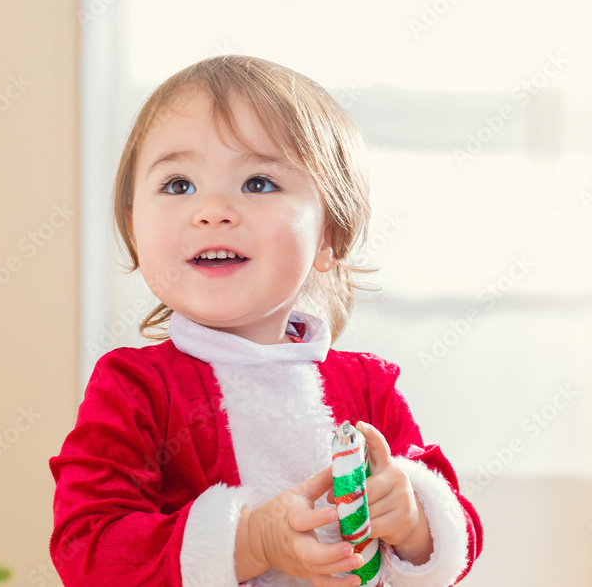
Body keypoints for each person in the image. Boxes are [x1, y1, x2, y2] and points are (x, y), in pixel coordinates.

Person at [49, 55, 483, 587]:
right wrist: (249, 541)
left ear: (328, 237)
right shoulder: (135, 389)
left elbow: (454, 539)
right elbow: (88, 551)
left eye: (257, 183)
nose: (212, 209)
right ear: (134, 226)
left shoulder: (368, 387)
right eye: (179, 184)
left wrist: (414, 519)